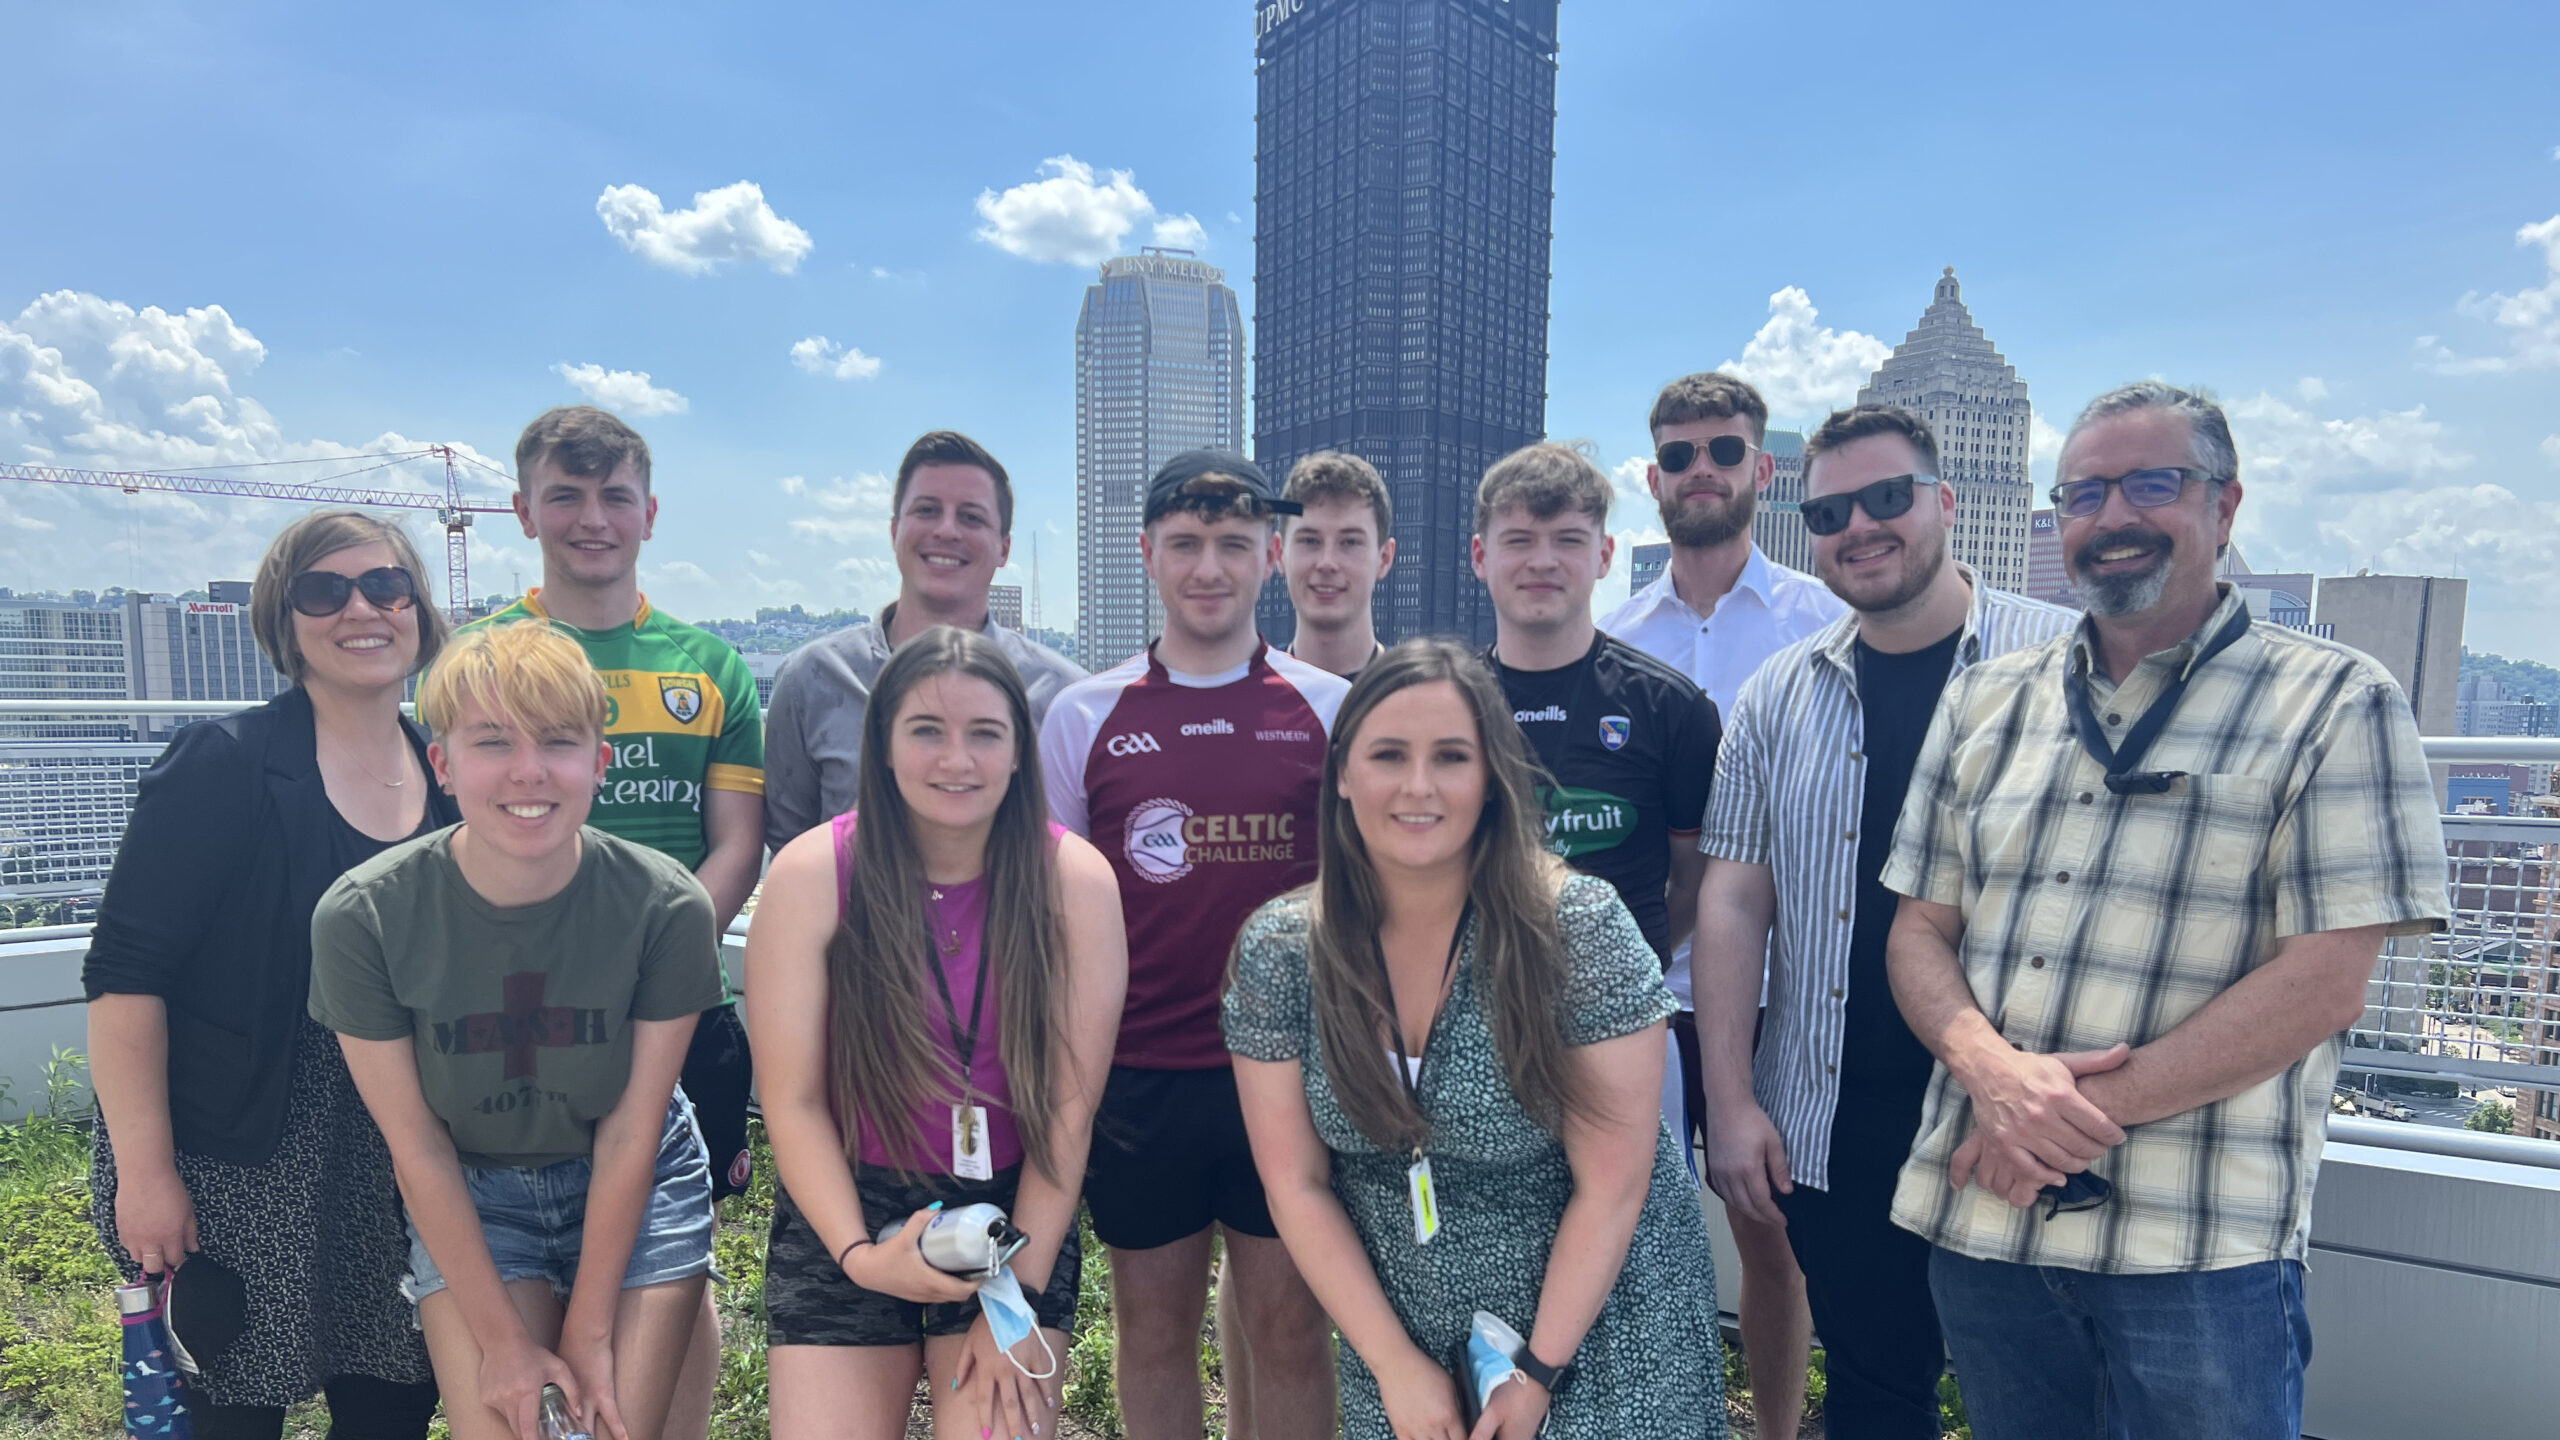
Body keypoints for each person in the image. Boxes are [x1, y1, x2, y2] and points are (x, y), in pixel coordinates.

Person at [1881, 382, 2451, 1439]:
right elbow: (1919, 930)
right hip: (1990, 1224)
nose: (2113, 517)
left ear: (2223, 507)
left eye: (2153, 484)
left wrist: (2047, 1123)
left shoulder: (2337, 701)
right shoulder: (1985, 698)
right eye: (2084, 494)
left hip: (2196, 1251)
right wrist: (1997, 1081)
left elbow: (2323, 982)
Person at [1225, 639, 1727, 1440]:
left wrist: (1534, 1379)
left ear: (1492, 779)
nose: (1418, 786)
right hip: (1405, 1336)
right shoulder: (1282, 953)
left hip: (1597, 1326)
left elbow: (1613, 1187)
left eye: (1451, 757)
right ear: (1344, 774)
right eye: (1389, 754)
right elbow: (1296, 1185)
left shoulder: (1577, 930)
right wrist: (1394, 1364)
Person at [1693, 405, 2073, 1439]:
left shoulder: (2066, 663)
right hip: (1836, 1116)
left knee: (2045, 1400)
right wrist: (1730, 1103)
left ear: (1946, 503)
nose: (1858, 525)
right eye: (1829, 510)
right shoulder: (1780, 692)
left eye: (1887, 497)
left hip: (2019, 1115)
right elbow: (1732, 898)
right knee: (1872, 1395)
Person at [84, 511, 455, 1440]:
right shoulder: (225, 762)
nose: (361, 607)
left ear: (419, 607)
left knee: (393, 1407)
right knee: (229, 1413)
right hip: (236, 1157)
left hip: (393, 1159)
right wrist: (146, 1171)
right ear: (283, 621)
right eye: (323, 591)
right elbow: (128, 976)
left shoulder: (449, 772)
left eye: (386, 584)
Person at [312, 619, 725, 1440]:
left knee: (609, 1424)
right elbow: (417, 1146)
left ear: (599, 765)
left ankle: (676, 1312)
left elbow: (633, 1129)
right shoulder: (364, 917)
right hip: (472, 1180)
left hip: (631, 1171)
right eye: (493, 740)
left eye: (560, 742)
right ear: (443, 763)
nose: (529, 772)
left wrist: (591, 1334)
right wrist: (503, 1345)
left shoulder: (668, 906)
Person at [747, 627, 1127, 1440]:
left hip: (1012, 1206)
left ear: (1021, 751)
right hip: (848, 1196)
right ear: (882, 744)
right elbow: (794, 1098)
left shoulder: (1076, 882)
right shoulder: (815, 874)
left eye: (984, 733)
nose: (956, 760)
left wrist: (1013, 1296)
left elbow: (1067, 1112)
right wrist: (859, 1255)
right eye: (927, 731)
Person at [1039, 450, 1345, 1440]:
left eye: (1230, 544)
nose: (1207, 567)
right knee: (1152, 1332)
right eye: (1184, 545)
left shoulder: (1329, 710)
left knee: (1290, 1329)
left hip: (1287, 1075)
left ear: (1269, 554)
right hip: (1137, 1076)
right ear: (1147, 554)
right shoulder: (1082, 716)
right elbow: (1052, 920)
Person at [479, 404, 762, 1435]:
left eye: (613, 496)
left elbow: (737, 838)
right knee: (531, 1253)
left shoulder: (710, 666)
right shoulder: (480, 657)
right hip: (517, 1014)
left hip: (676, 1008)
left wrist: (657, 963)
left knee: (677, 1268)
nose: (591, 518)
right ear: (522, 512)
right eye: (565, 495)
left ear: (650, 512)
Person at [1598, 373, 1839, 1440]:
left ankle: (1777, 1431)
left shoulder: (1823, 625)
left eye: (1724, 452)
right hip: (1634, 992)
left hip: (1774, 990)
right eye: (1680, 454)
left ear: (1762, 471)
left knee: (1771, 1236)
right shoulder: (1614, 634)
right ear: (1652, 479)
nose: (1702, 471)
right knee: (1624, 1232)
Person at [763, 430, 1087, 853]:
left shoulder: (1063, 696)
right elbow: (793, 845)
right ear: (895, 531)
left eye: (971, 517)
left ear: (1004, 548)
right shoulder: (810, 680)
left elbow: (1075, 857)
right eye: (927, 510)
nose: (947, 530)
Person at [1277, 451, 1397, 678]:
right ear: (1279, 553)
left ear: (1385, 558)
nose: (1327, 563)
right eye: (1310, 541)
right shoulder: (1246, 701)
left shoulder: (1419, 700)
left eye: (1350, 542)